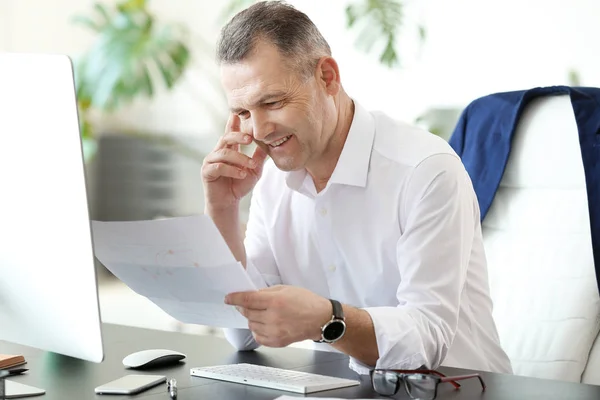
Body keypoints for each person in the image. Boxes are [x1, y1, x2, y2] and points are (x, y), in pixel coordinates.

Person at [201, 0, 512, 375]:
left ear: (327, 77)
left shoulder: (426, 171)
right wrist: (222, 211)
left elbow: (427, 338)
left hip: (456, 388)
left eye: (273, 102)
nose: (260, 130)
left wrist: (328, 319)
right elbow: (244, 335)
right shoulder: (272, 182)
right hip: (345, 388)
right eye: (244, 112)